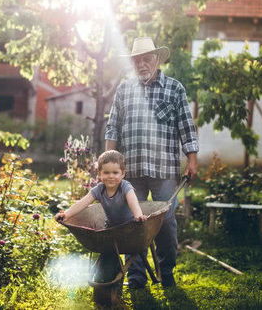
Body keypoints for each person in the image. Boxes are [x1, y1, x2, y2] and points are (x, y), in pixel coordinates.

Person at [105, 37, 199, 289]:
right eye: (137, 60)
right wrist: (107, 161)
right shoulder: (124, 89)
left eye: (147, 58)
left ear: (157, 60)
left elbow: (186, 128)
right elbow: (112, 126)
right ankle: (137, 278)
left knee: (166, 223)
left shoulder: (174, 88)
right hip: (131, 169)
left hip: (164, 170)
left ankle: (167, 272)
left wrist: (192, 159)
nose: (142, 64)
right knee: (131, 224)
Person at [55, 150, 147, 282]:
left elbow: (133, 201)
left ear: (123, 174)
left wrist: (138, 216)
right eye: (106, 172)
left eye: (115, 173)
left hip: (131, 227)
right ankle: (107, 271)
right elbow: (83, 203)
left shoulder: (125, 187)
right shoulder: (99, 190)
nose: (111, 176)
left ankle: (137, 281)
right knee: (107, 248)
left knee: (136, 251)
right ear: (99, 174)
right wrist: (66, 214)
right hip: (111, 228)